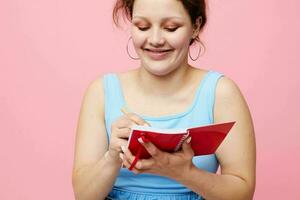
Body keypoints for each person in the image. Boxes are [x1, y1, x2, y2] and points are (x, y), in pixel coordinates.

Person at [72, 0, 256, 199]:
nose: (155, 39)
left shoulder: (221, 94)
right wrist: (112, 157)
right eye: (142, 26)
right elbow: (83, 195)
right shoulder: (101, 92)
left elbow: (242, 194)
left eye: (171, 28)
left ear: (195, 27)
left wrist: (182, 172)